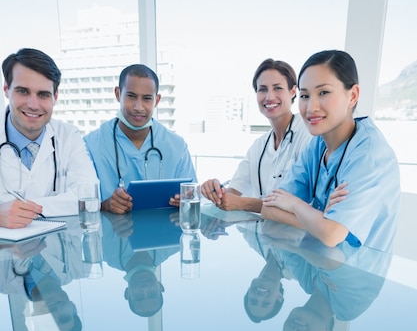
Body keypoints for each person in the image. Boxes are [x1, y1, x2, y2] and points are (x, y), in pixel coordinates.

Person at [262, 50, 401, 251]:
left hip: (354, 277)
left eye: (324, 92)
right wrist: (320, 219)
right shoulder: (317, 145)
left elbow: (331, 234)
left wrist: (295, 205)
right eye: (304, 95)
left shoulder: (369, 155)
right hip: (315, 268)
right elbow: (269, 208)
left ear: (352, 95)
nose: (311, 107)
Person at [0, 48, 98, 229]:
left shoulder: (69, 136)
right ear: (7, 89)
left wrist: (19, 210)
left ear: (56, 96)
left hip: (55, 251)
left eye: (43, 94)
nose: (33, 105)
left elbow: (89, 197)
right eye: (23, 91)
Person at [201, 58, 311, 213]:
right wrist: (213, 190)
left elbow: (301, 206)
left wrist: (243, 203)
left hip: (298, 234)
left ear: (293, 91)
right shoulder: (259, 146)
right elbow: (233, 192)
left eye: (278, 88)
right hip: (262, 233)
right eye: (262, 89)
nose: (269, 97)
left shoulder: (308, 135)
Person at [84, 63, 197, 214]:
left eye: (147, 98)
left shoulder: (176, 146)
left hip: (164, 235)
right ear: (118, 94)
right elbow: (80, 204)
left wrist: (184, 201)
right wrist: (105, 205)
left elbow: (193, 197)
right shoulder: (90, 145)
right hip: (112, 236)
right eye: (131, 96)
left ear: (156, 100)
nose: (138, 107)